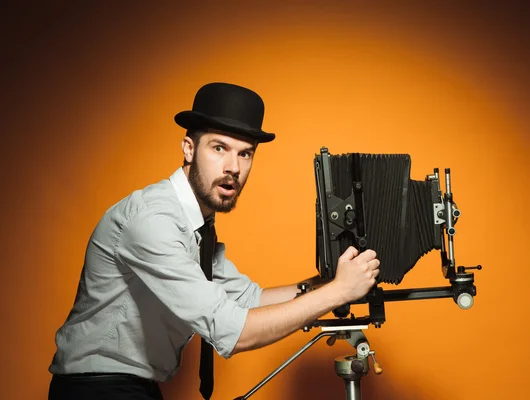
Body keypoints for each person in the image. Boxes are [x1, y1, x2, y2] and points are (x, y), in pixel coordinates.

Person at [47, 82, 380, 400]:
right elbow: (232, 330)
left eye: (245, 154)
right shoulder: (153, 221)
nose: (233, 167)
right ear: (189, 149)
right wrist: (338, 292)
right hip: (93, 389)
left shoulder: (198, 225)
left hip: (134, 387)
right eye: (219, 148)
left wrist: (331, 281)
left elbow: (249, 299)